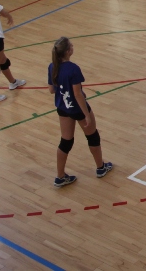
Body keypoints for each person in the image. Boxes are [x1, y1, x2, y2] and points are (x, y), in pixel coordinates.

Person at [48, 37, 113, 188]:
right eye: (71, 45)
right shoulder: (73, 69)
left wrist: (64, 89)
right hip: (77, 108)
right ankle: (100, 167)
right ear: (68, 51)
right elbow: (78, 94)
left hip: (63, 108)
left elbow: (51, 90)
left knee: (66, 141)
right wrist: (86, 115)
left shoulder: (52, 66)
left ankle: (60, 176)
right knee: (92, 136)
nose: (73, 47)